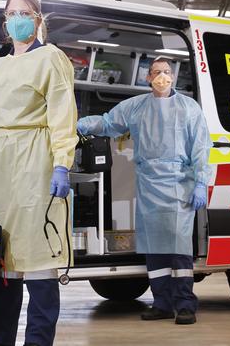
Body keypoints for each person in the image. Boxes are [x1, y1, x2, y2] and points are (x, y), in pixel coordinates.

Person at [0, 0, 78, 346]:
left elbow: (63, 115)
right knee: (4, 258)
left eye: (25, 13)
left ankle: (38, 340)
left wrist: (62, 163)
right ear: (5, 23)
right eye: (12, 14)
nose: (18, 19)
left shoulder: (51, 59)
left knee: (39, 255)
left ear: (38, 19)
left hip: (35, 164)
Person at [77, 56, 212, 325]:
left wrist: (200, 182)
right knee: (154, 248)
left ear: (173, 76)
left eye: (167, 72)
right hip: (149, 183)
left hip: (178, 184)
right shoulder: (137, 106)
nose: (162, 76)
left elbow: (200, 148)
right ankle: (161, 303)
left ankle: (185, 305)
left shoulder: (188, 108)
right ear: (148, 78)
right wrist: (79, 124)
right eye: (157, 72)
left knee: (178, 247)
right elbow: (108, 122)